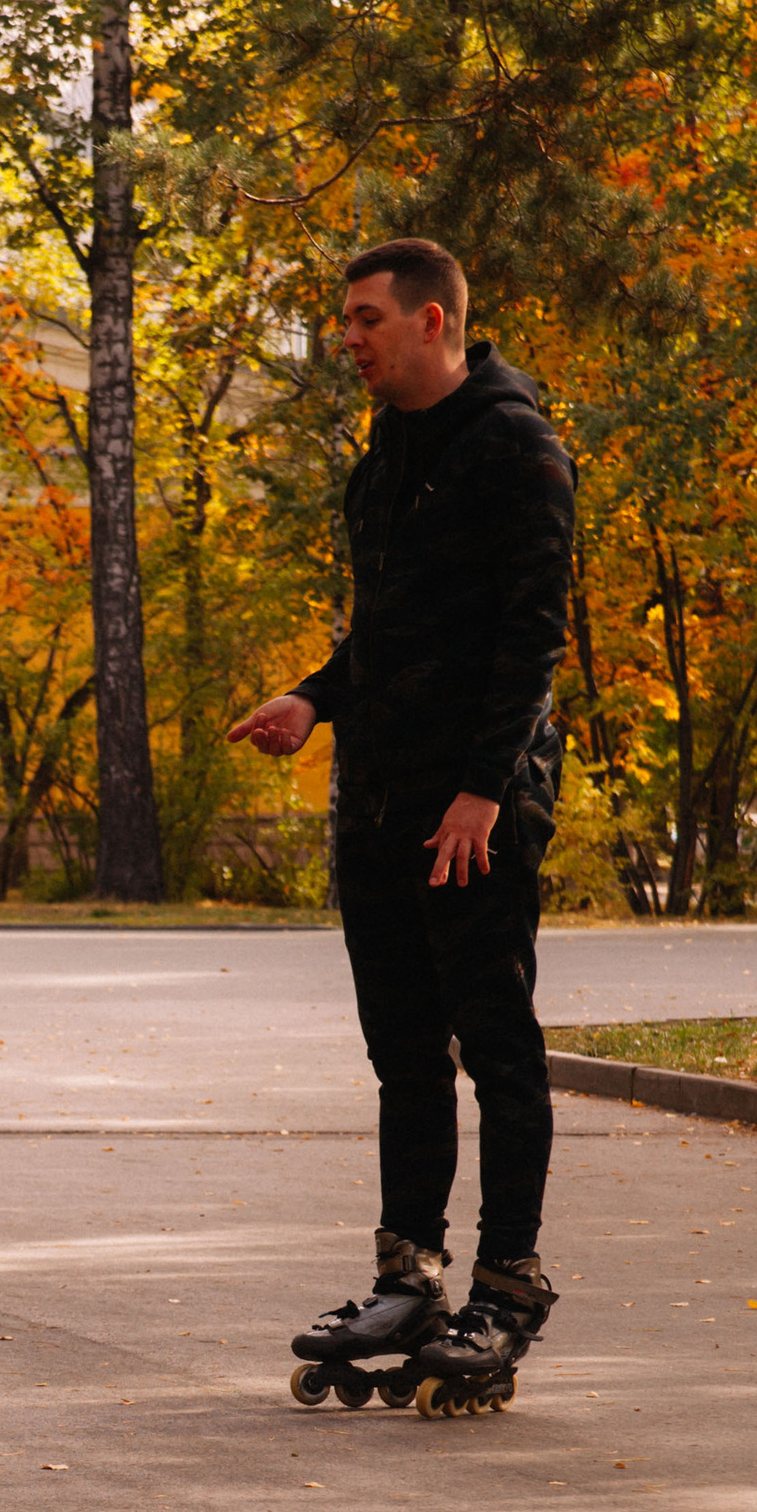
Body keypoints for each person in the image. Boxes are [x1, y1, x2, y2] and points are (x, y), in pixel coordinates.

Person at [229, 238, 575, 1405]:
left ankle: (508, 1283)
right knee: (403, 1056)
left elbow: (532, 638)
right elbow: (382, 639)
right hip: (376, 802)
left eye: (368, 319)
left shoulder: (515, 448)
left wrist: (483, 788)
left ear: (434, 322)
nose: (351, 341)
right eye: (346, 322)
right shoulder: (382, 461)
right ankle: (409, 1273)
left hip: (474, 811)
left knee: (498, 1052)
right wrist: (314, 699)